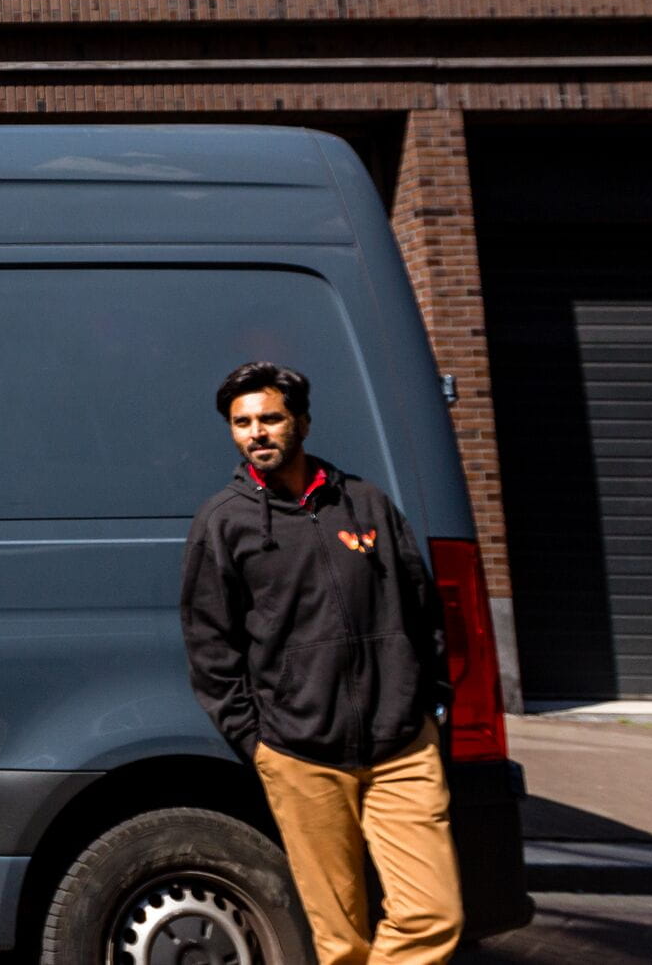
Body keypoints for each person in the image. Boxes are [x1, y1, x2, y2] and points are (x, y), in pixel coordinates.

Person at [180, 361, 463, 965]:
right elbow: (211, 646)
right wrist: (258, 741)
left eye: (270, 418)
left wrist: (428, 702)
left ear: (301, 422)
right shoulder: (224, 522)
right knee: (340, 940)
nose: (256, 432)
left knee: (433, 914)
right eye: (242, 423)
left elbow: (422, 609)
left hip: (401, 746)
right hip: (300, 752)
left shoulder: (366, 504)